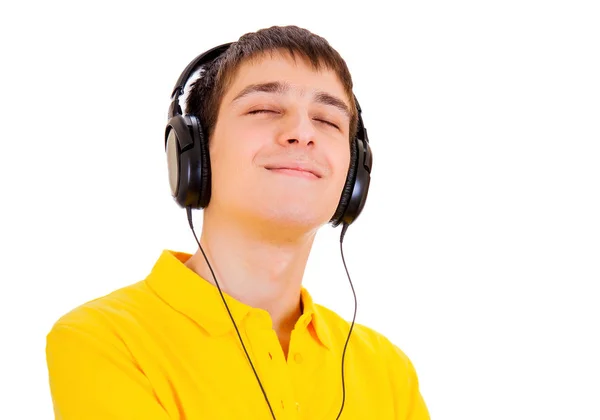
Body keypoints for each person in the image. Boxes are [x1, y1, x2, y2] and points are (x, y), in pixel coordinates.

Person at [45, 25, 429, 419]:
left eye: (328, 120)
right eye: (264, 109)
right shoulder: (104, 339)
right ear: (194, 156)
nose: (301, 133)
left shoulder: (388, 371)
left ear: (354, 176)